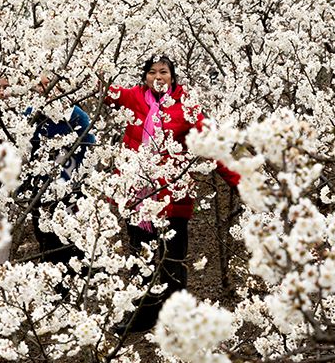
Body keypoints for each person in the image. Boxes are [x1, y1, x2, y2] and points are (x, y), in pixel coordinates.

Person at [103, 55, 240, 333]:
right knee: (140, 257)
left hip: (171, 197)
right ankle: (142, 316)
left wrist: (239, 180)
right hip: (137, 196)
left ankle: (177, 318)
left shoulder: (186, 107)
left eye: (163, 71)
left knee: (172, 259)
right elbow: (105, 90)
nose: (158, 77)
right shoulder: (133, 98)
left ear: (173, 76)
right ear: (144, 77)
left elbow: (212, 145)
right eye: (152, 72)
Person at [22, 75, 96, 270]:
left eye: (52, 83)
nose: (48, 89)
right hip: (40, 192)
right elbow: (22, 152)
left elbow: (88, 157)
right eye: (41, 85)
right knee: (46, 241)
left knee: (70, 241)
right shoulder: (31, 115)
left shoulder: (77, 116)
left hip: (71, 190)